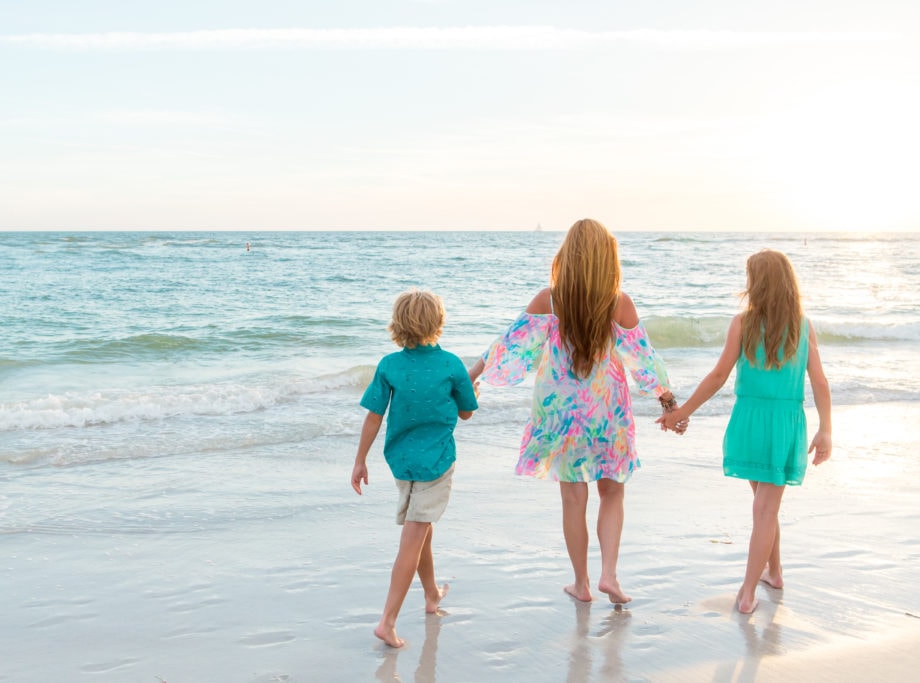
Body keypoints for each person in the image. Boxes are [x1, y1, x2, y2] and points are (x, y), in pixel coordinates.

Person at [469, 218, 681, 605]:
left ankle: (581, 584)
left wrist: (470, 376)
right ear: (607, 259)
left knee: (572, 499)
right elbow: (644, 361)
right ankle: (609, 576)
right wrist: (670, 405)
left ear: (567, 256)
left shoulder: (549, 300)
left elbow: (508, 346)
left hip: (560, 414)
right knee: (613, 491)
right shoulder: (619, 303)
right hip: (607, 412)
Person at [657, 249, 832, 614]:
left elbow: (719, 376)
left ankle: (749, 590)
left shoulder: (744, 323)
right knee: (765, 508)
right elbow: (819, 381)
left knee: (764, 508)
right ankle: (776, 572)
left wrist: (683, 413)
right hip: (784, 425)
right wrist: (824, 428)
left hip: (750, 424)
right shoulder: (802, 325)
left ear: (757, 284)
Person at [352, 288, 479, 648]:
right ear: (439, 322)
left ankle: (431, 594)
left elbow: (374, 417)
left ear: (399, 323)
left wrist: (360, 460)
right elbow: (467, 412)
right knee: (413, 535)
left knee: (420, 529)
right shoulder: (452, 364)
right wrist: (474, 393)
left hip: (400, 462)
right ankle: (387, 621)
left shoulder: (389, 365)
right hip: (435, 463)